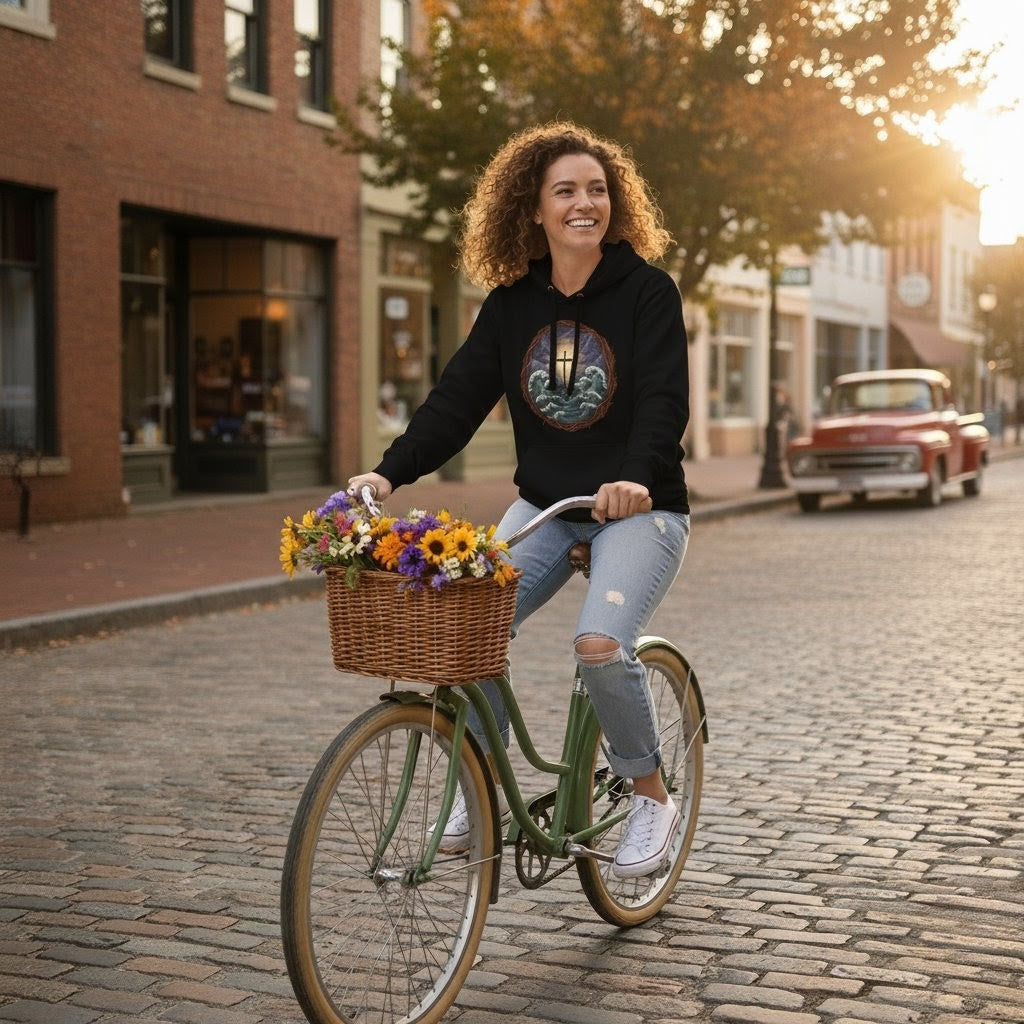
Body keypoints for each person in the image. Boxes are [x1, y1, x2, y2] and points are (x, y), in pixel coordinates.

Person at [347, 122, 691, 878]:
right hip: (545, 506)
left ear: (614, 202)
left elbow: (664, 401)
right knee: (462, 632)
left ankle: (650, 794)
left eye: (597, 190)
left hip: (641, 509)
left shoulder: (646, 293)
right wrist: (387, 472)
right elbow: (455, 402)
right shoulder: (511, 306)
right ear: (533, 208)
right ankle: (482, 795)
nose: (584, 204)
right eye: (565, 191)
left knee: (600, 644)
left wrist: (635, 475)